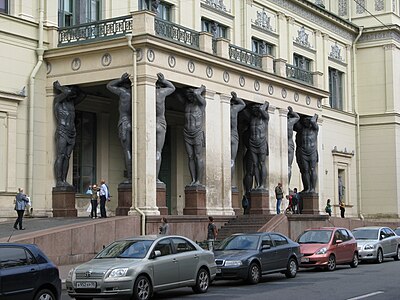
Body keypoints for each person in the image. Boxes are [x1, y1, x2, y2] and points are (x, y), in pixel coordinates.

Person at [53, 80, 86, 187]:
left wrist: (74, 87)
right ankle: (59, 180)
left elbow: (83, 95)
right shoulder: (58, 101)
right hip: (62, 130)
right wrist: (60, 87)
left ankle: (64, 179)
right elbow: (66, 93)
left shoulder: (71, 103)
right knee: (61, 155)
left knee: (67, 156)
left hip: (72, 132)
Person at [177, 85, 207, 186]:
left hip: (197, 132)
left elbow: (196, 93)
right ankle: (193, 179)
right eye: (188, 95)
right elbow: (176, 91)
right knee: (190, 156)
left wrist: (200, 89)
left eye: (191, 94)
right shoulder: (186, 104)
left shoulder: (201, 104)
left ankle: (199, 180)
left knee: (198, 156)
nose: (189, 96)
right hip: (187, 132)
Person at [106, 73, 132, 183]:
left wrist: (120, 79)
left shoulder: (123, 93)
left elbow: (109, 86)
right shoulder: (137, 94)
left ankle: (131, 177)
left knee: (127, 150)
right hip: (135, 123)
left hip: (124, 122)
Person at [155, 73, 176, 183]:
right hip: (160, 123)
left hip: (148, 121)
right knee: (158, 152)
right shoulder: (161, 93)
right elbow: (172, 87)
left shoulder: (148, 92)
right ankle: (155, 178)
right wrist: (164, 80)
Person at [244, 101, 269, 189]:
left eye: (256, 109)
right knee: (255, 164)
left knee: (261, 163)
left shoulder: (265, 118)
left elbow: (263, 110)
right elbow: (244, 109)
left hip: (261, 143)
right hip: (252, 143)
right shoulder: (252, 119)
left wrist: (264, 105)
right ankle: (258, 184)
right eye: (253, 109)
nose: (254, 111)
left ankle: (263, 185)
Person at [294, 114, 319, 193]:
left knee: (312, 169)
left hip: (312, 151)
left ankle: (313, 188)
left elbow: (312, 121)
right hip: (303, 151)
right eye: (304, 121)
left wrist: (315, 116)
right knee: (305, 170)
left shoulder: (315, 129)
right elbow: (295, 122)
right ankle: (307, 188)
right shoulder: (302, 129)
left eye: (307, 121)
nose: (305, 122)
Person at [230, 91, 246, 183]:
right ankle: (231, 183)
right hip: (234, 135)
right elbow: (243, 104)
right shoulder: (234, 109)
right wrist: (236, 98)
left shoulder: (227, 109)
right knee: (231, 160)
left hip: (226, 135)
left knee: (229, 160)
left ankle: (229, 183)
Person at [287, 106, 300, 185]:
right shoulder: (290, 122)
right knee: (288, 166)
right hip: (289, 144)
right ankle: (287, 186)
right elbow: (297, 117)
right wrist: (292, 112)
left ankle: (286, 186)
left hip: (283, 144)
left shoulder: (287, 122)